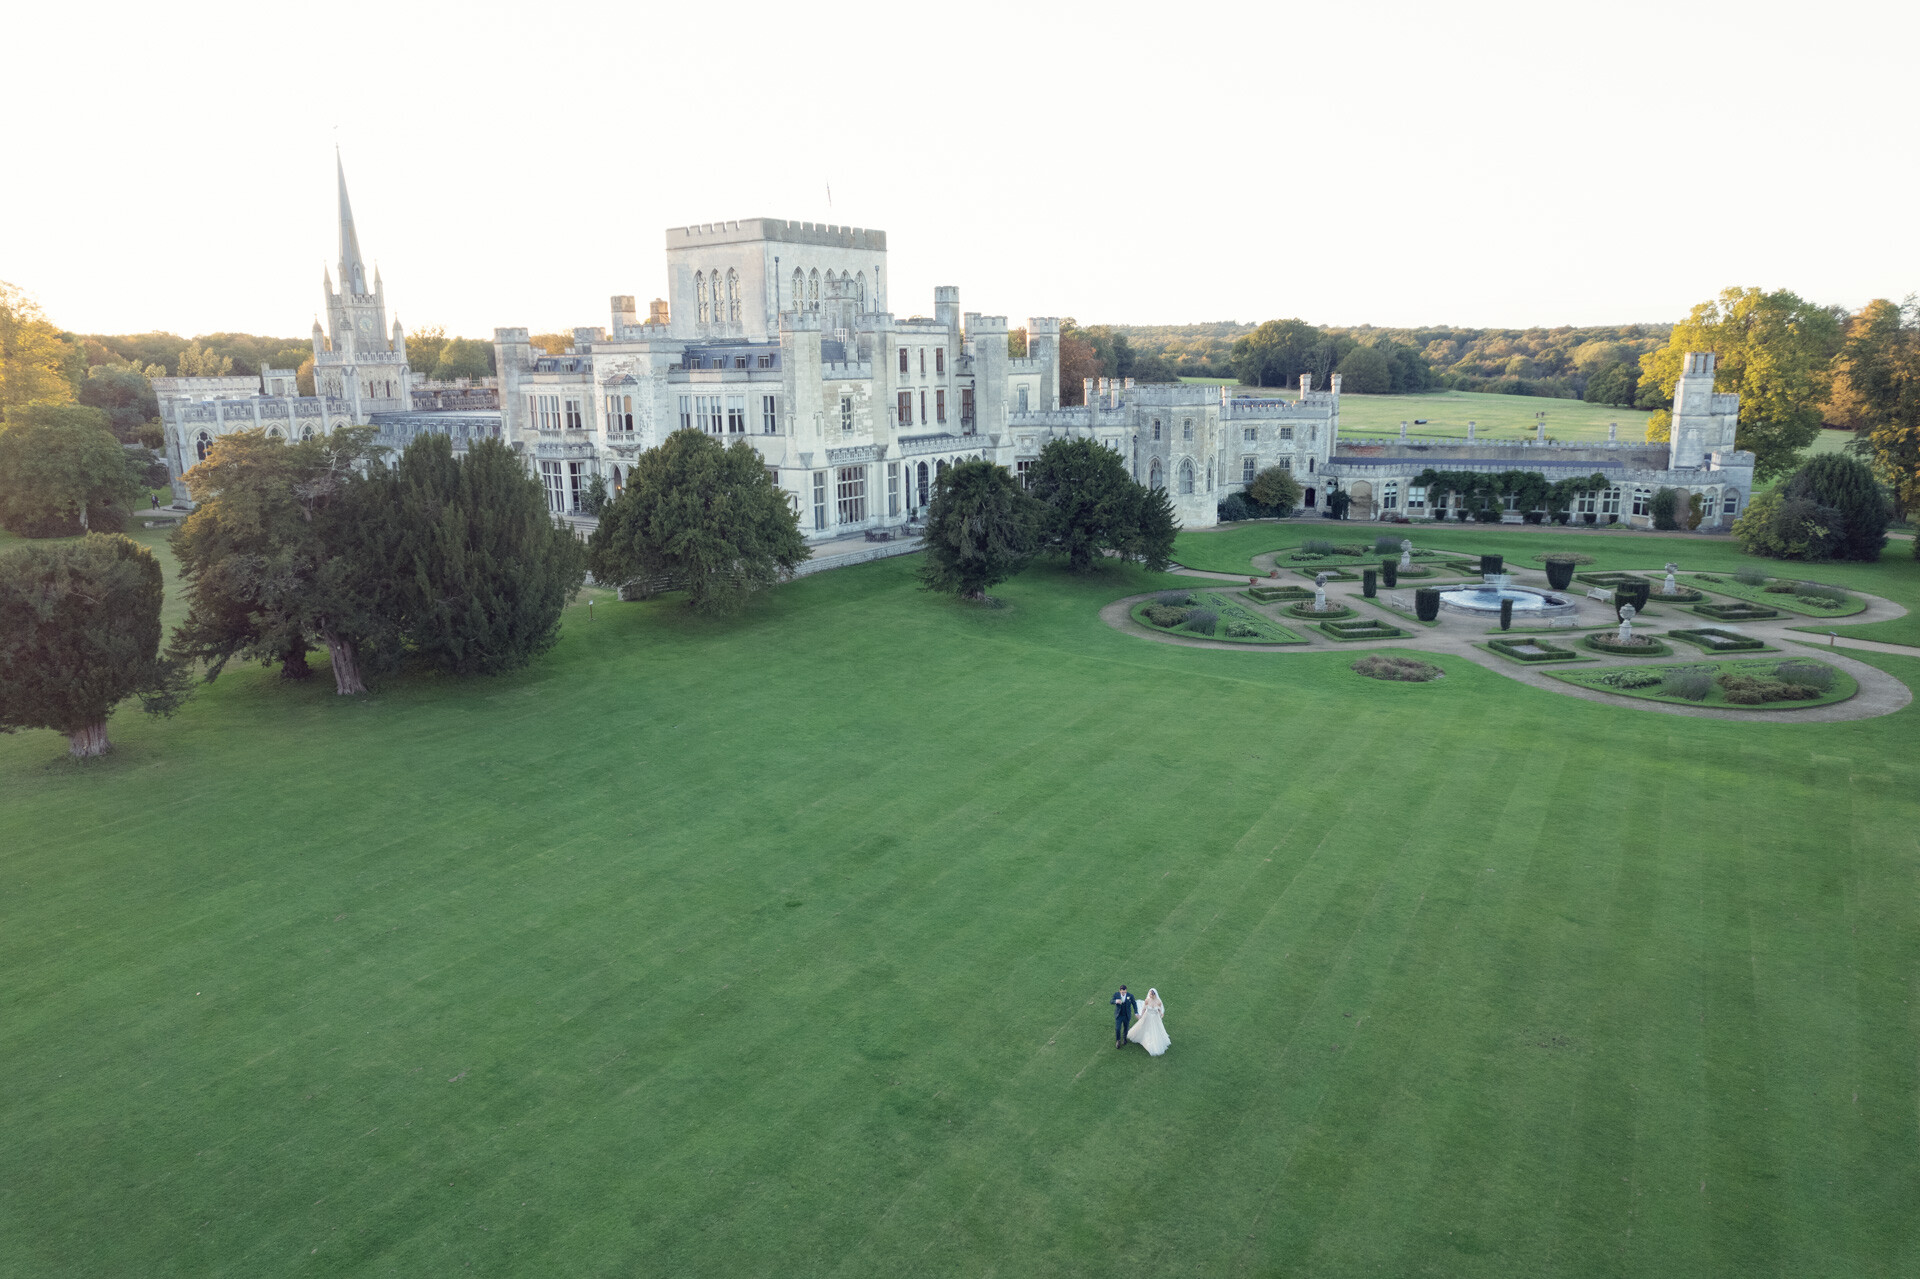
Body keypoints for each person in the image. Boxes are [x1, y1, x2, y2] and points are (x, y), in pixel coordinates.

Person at [1126, 988, 1170, 1057]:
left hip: (1155, 1018)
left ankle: (1153, 1043)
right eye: (1150, 994)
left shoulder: (1158, 1002)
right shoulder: (1147, 1000)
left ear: (1154, 995)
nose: (1150, 996)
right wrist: (1141, 1016)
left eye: (1151, 995)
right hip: (1147, 1016)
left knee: (1154, 1030)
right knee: (1144, 1027)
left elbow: (1159, 1010)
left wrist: (1161, 1014)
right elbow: (1144, 1009)